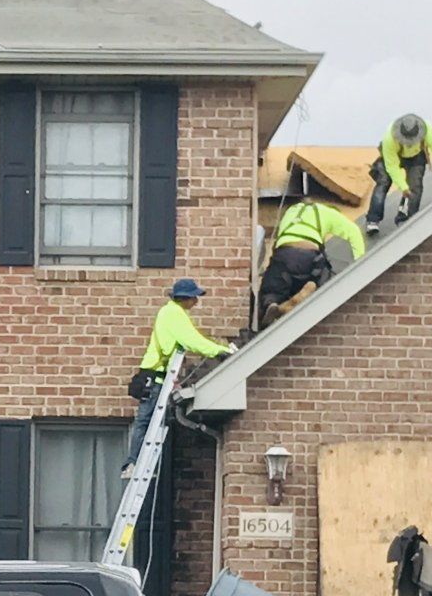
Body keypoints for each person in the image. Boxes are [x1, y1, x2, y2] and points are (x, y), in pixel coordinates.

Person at [123, 278, 233, 477]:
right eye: (194, 298)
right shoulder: (173, 314)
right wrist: (219, 351)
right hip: (154, 377)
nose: (196, 302)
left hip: (158, 375)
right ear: (185, 298)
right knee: (146, 420)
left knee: (150, 421)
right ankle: (133, 463)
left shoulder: (171, 312)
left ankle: (136, 463)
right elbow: (192, 340)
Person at [258, 199, 368, 324]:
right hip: (310, 256)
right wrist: (360, 264)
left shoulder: (291, 210)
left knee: (272, 287)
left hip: (284, 254)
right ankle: (310, 291)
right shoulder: (327, 212)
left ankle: (273, 305)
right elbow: (353, 231)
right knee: (325, 284)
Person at [365, 113, 432, 235]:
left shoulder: (429, 131)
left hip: (416, 156)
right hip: (393, 157)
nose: (409, 143)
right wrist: (403, 187)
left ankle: (406, 218)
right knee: (383, 182)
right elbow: (392, 166)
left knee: (415, 186)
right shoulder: (389, 138)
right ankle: (373, 220)